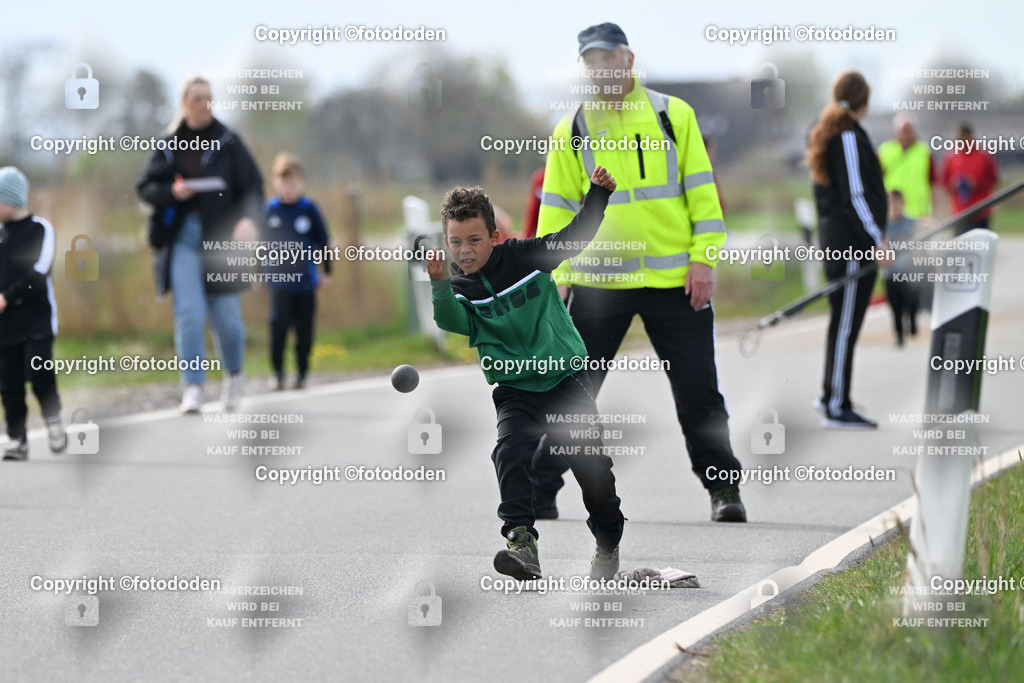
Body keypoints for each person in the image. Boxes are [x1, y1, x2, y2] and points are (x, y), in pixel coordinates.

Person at [532, 22, 745, 523]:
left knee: (699, 393)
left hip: (676, 282)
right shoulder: (574, 129)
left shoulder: (674, 116)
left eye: (607, 59)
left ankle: (724, 492)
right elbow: (557, 209)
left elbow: (702, 193)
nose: (599, 69)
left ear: (627, 60)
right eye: (590, 62)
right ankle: (539, 489)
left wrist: (704, 258)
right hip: (598, 284)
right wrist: (554, 276)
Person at [426, 166, 625, 581]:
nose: (465, 251)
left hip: (564, 381)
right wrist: (440, 285)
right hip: (515, 389)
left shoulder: (525, 257)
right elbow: (452, 322)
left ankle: (608, 543)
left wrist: (598, 195)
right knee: (510, 451)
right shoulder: (461, 286)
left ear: (494, 236)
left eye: (475, 240)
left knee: (595, 477)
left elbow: (575, 238)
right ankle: (521, 542)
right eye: (456, 242)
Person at [137, 77, 264, 413]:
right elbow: (146, 188)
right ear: (184, 102)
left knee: (228, 320)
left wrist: (248, 219)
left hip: (223, 238)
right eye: (197, 98)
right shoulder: (168, 143)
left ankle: (234, 377)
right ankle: (193, 387)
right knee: (189, 313)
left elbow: (253, 187)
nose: (204, 104)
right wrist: (171, 193)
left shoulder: (229, 141)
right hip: (183, 239)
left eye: (209, 98)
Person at [806, 71, 893, 428]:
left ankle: (831, 394)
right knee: (845, 326)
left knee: (844, 323)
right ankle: (837, 405)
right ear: (864, 100)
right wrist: (877, 240)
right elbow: (855, 196)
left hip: (843, 243)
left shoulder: (839, 133)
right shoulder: (846, 137)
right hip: (852, 247)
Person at [0, 167, 67, 461]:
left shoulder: (40, 228)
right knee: (9, 382)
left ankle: (53, 421)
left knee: (38, 373)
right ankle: (17, 438)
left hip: (36, 319)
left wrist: (6, 296)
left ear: (9, 199)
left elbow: (39, 270)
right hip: (5, 324)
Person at [262, 153, 331, 391]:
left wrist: (327, 272)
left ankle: (302, 372)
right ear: (275, 183)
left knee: (304, 330)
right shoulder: (270, 210)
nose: (288, 188)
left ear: (301, 182)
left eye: (293, 183)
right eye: (284, 183)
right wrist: (258, 274)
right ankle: (278, 373)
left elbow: (323, 242)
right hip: (279, 281)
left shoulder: (309, 209)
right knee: (278, 326)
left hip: (305, 282)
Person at [940, 122, 998, 235]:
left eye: (964, 137)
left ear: (970, 136)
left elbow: (993, 179)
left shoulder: (984, 155)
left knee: (981, 246)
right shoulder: (951, 156)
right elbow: (944, 181)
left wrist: (976, 184)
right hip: (959, 212)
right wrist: (953, 184)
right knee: (960, 249)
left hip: (981, 210)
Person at [878, 113, 934, 222]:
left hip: (919, 213)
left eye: (909, 130)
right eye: (903, 130)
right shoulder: (885, 151)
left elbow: (933, 184)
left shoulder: (924, 151)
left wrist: (933, 213)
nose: (906, 134)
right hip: (893, 214)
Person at [883, 191, 919, 346]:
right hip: (890, 273)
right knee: (895, 306)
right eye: (891, 203)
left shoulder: (910, 222)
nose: (894, 207)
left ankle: (912, 319)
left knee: (911, 300)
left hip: (907, 271)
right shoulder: (884, 226)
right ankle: (899, 335)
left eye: (897, 203)